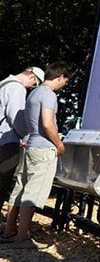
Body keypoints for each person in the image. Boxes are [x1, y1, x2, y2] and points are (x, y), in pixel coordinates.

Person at [2, 62, 72, 250]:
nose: (63, 85)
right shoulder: (48, 95)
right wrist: (59, 144)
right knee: (33, 193)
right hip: (43, 148)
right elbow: (48, 124)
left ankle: (10, 231)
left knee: (19, 189)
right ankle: (23, 236)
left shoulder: (33, 93)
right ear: (60, 77)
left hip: (30, 145)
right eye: (64, 81)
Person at [0, 67, 45, 205]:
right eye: (35, 84)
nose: (33, 88)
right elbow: (16, 117)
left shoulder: (3, 84)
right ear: (32, 77)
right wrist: (26, 137)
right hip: (6, 141)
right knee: (2, 182)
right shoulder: (17, 88)